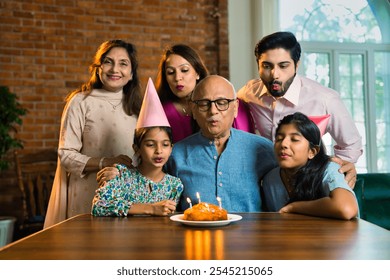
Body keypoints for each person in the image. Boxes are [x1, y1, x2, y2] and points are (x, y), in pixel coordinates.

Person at [237, 31, 362, 188]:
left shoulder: (325, 99)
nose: (275, 74)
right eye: (267, 66)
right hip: (264, 183)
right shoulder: (248, 94)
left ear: (296, 64)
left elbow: (351, 144)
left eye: (283, 66)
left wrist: (337, 169)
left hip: (308, 186)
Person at [44, 40, 143, 228]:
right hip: (86, 192)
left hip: (126, 196)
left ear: (131, 74)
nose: (115, 69)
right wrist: (104, 162)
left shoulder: (139, 107)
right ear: (98, 68)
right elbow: (66, 154)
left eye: (123, 63)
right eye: (108, 61)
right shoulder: (80, 101)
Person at [165, 75, 277, 212]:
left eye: (222, 102)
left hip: (250, 232)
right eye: (204, 103)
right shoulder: (175, 155)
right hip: (195, 232)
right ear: (193, 109)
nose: (213, 111)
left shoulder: (262, 149)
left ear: (235, 107)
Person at [91, 78, 183, 216]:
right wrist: (151, 208)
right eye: (150, 144)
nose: (159, 151)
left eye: (165, 145)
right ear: (136, 148)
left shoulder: (174, 185)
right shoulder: (120, 176)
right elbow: (99, 206)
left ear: (171, 148)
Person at [262, 112, 359, 220]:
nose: (283, 144)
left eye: (294, 139)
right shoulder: (270, 180)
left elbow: (346, 209)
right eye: (279, 139)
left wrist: (293, 207)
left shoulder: (329, 169)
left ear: (312, 151)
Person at [156, 44, 254, 143]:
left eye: (184, 70)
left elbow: (245, 144)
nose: (177, 78)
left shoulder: (232, 104)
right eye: (170, 72)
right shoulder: (161, 112)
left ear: (197, 73)